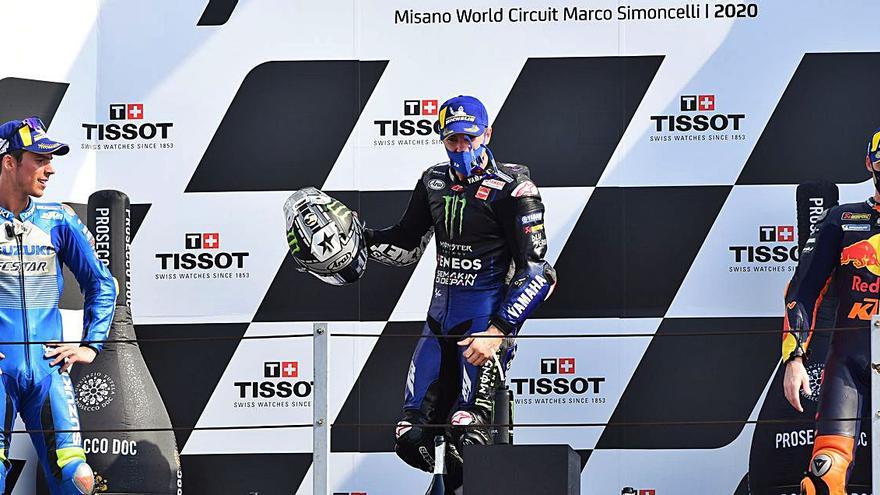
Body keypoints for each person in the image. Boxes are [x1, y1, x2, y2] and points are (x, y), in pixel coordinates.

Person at [364, 96, 557, 493]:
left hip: (482, 331)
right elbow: (405, 241)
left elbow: (540, 275)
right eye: (452, 139)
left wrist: (497, 331)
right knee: (409, 437)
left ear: (487, 134)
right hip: (437, 327)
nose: (461, 148)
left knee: (472, 437)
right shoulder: (432, 181)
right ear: (442, 138)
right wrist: (358, 240)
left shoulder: (515, 190)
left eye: (469, 138)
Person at [0, 117, 116, 494]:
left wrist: (89, 344)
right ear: (9, 162)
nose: (51, 168)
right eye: (40, 158)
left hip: (48, 370)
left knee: (77, 477)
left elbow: (102, 283)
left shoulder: (58, 219)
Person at [782, 127, 880, 495]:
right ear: (869, 164)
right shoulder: (842, 219)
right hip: (849, 368)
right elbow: (803, 292)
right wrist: (794, 359)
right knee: (824, 478)